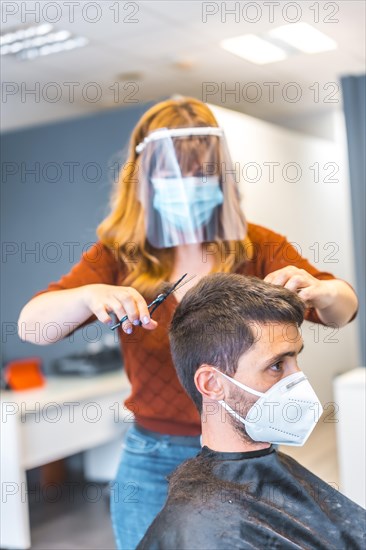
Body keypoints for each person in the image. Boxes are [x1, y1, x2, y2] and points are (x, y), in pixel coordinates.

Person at [18, 97, 359, 549]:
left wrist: (323, 291)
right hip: (152, 458)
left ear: (221, 176)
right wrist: (85, 296)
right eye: (173, 175)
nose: (188, 186)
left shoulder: (256, 245)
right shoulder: (119, 255)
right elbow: (32, 326)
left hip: (244, 451)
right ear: (144, 181)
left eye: (201, 174)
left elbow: (344, 309)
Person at [137, 273, 365, 549]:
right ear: (212, 383)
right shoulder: (199, 526)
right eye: (277, 365)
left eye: (295, 359)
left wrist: (327, 291)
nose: (300, 380)